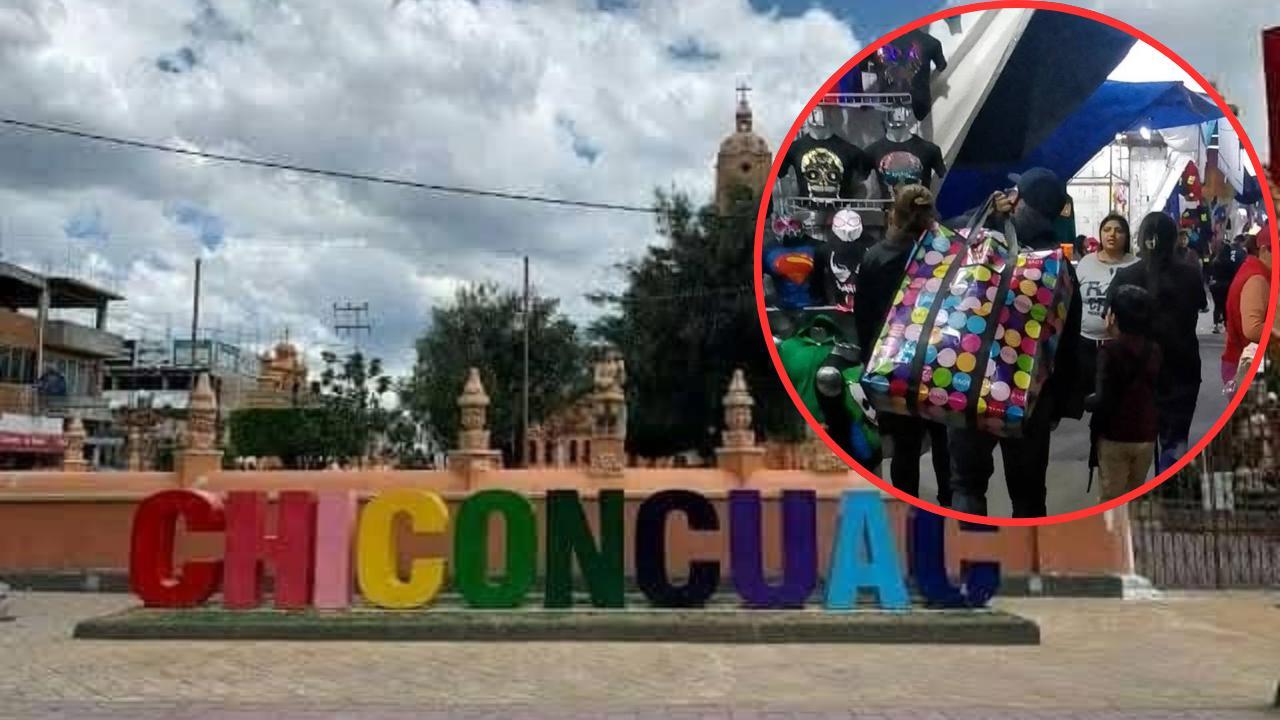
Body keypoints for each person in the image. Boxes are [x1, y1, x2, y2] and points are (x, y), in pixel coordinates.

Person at [947, 168, 1084, 518]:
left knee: (966, 485)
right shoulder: (1059, 267)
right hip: (1029, 399)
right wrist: (1060, 405)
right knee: (1028, 494)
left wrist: (984, 212)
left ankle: (974, 564)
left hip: (968, 382)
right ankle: (1028, 565)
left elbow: (943, 241)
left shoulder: (980, 247)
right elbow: (1068, 342)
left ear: (1017, 200)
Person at [854, 184, 952, 507]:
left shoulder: (874, 258)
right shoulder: (944, 254)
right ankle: (949, 504)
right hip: (940, 362)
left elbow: (864, 321)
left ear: (893, 214)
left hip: (892, 366)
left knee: (904, 448)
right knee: (943, 441)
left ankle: (909, 511)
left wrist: (869, 366)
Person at [1108, 212, 1207, 476]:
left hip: (1134, 374)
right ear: (1174, 238)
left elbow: (1110, 322)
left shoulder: (1124, 276)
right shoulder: (1190, 275)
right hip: (1182, 370)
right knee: (1175, 443)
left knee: (1132, 447)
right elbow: (1198, 309)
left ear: (1140, 238)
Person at [1085, 285, 1161, 502]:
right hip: (1146, 435)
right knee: (1135, 497)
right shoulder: (1153, 349)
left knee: (1111, 500)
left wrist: (1084, 402)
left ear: (1114, 317)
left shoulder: (1109, 351)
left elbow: (1101, 398)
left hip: (1114, 436)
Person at [1074, 213, 1138, 404]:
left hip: (1120, 344)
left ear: (1126, 236)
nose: (1112, 234)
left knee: (1116, 401)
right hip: (1086, 343)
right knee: (1087, 400)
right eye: (1107, 230)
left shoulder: (1135, 265)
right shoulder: (1086, 263)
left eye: (1118, 231)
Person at [1222, 222, 1273, 386]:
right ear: (1264, 251)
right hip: (1246, 367)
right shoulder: (1257, 279)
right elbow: (1252, 328)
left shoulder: (1254, 270)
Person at [1208, 235, 1246, 334]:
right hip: (1226, 285)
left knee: (1217, 306)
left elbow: (1209, 272)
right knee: (1225, 305)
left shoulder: (1215, 260)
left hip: (1215, 285)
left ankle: (1216, 325)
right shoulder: (1229, 262)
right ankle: (1226, 324)